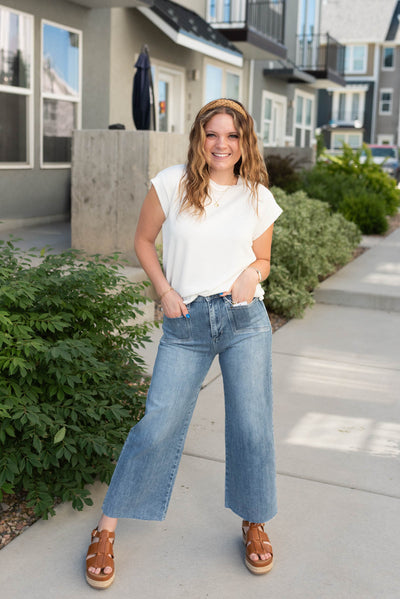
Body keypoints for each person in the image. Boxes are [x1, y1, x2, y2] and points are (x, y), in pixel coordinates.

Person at [85, 98, 282, 589]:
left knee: (252, 426)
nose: (222, 145)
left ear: (244, 142)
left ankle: (254, 522)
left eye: (232, 136)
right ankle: (105, 528)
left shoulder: (258, 196)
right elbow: (144, 242)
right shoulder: (171, 182)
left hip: (243, 319)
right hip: (186, 321)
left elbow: (265, 261)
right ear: (200, 136)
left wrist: (250, 275)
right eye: (213, 134)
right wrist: (165, 292)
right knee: (158, 422)